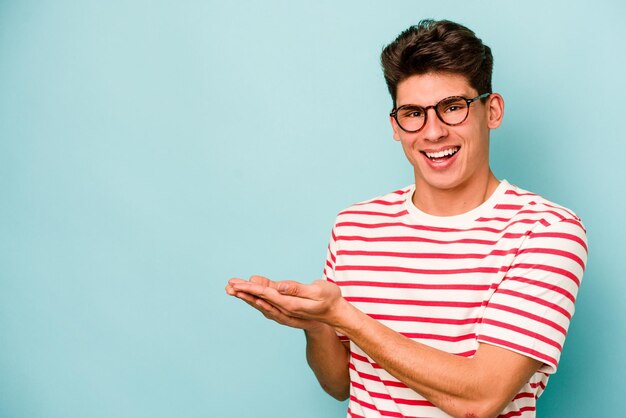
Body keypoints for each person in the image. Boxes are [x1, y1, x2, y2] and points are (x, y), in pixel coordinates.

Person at [225, 19, 587, 418]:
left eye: (453, 108)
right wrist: (315, 325)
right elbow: (340, 384)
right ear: (396, 126)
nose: (432, 133)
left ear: (493, 110)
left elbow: (480, 400)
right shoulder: (355, 226)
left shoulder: (545, 231)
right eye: (413, 113)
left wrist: (344, 315)